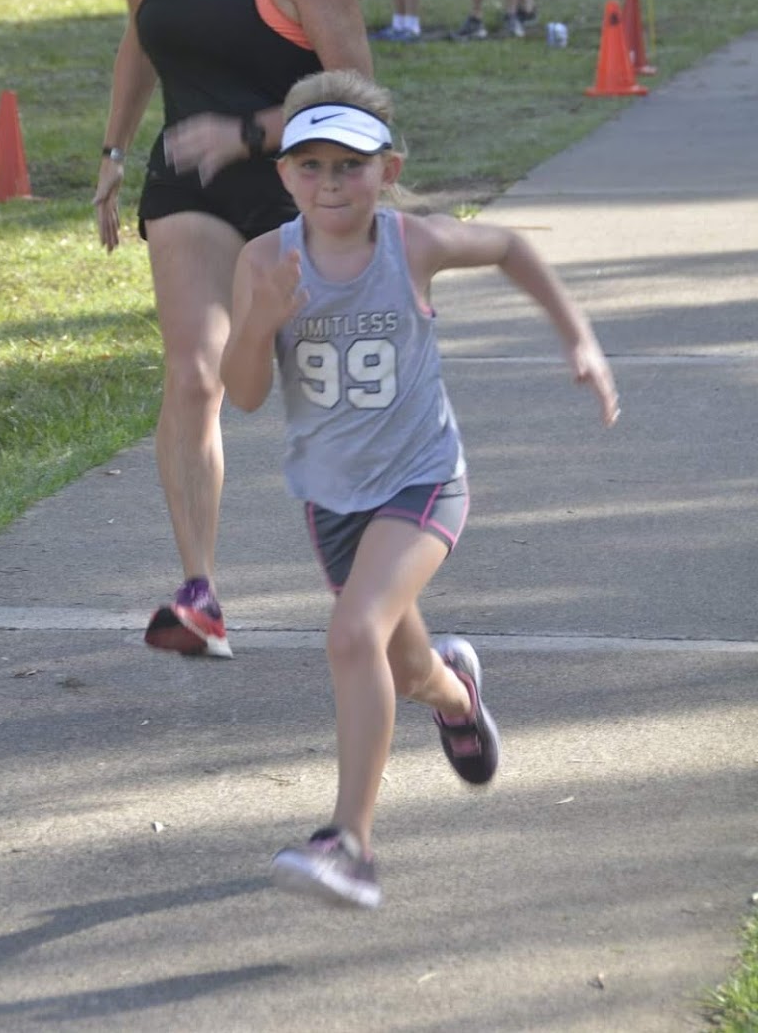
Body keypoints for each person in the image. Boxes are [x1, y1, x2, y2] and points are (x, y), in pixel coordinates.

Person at [220, 69, 619, 909]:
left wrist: (579, 340)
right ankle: (457, 694)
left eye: (351, 166)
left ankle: (350, 845)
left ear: (387, 170)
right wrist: (260, 319)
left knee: (350, 633)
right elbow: (245, 391)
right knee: (398, 667)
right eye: (312, 166)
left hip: (423, 482)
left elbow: (511, 247)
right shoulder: (263, 258)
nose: (332, 184)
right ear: (286, 174)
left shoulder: (414, 245)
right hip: (332, 500)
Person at [93, 0, 373, 659]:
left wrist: (248, 131)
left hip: (298, 186)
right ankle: (200, 594)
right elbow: (141, 46)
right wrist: (112, 152)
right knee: (193, 376)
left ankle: (380, 584)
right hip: (189, 185)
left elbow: (357, 90)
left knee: (332, 394)